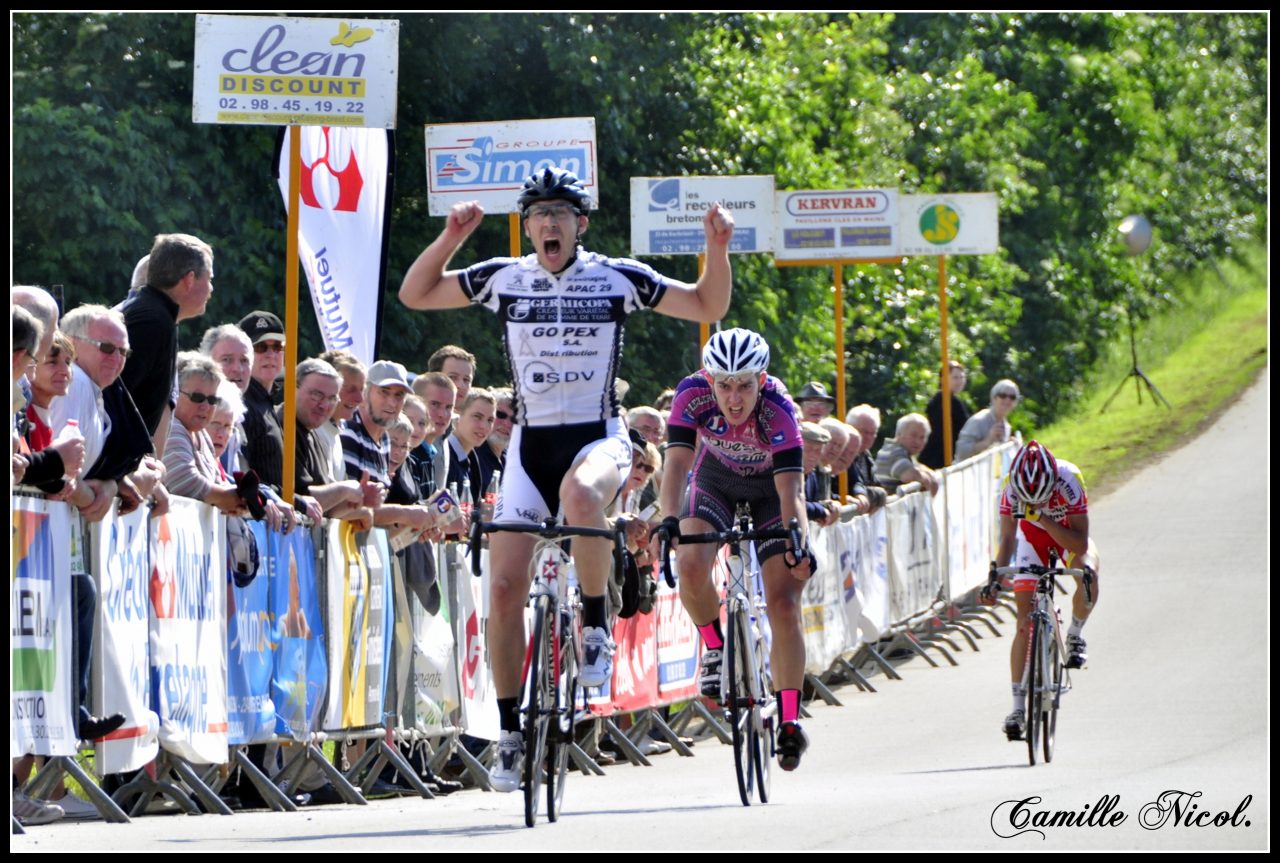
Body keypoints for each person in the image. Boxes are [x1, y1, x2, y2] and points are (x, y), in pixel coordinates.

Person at [398, 166, 735, 792]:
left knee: (582, 494)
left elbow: (707, 304)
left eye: (561, 214)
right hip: (529, 447)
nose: (549, 224)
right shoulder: (505, 277)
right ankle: (508, 732)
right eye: (538, 214)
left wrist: (716, 249)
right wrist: (450, 236)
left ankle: (597, 628)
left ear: (580, 224)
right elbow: (416, 294)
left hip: (597, 435)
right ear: (527, 226)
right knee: (501, 589)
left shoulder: (617, 278)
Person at [654, 328, 814, 771]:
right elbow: (678, 465)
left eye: (745, 384)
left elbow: (791, 491)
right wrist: (668, 520)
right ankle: (716, 646)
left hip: (770, 494)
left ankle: (787, 720)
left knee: (784, 602)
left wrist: (797, 539)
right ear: (709, 379)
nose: (734, 397)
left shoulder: (780, 408)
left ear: (761, 379)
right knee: (689, 561)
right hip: (715, 483)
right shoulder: (692, 395)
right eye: (724, 384)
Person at [987, 440, 1100, 742]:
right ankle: (1017, 708)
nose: (1035, 502)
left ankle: (1075, 633)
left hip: (1066, 533)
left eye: (1042, 496)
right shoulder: (1011, 486)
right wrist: (996, 576)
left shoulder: (1070, 479)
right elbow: (1008, 539)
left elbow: (1079, 543)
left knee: (1089, 572)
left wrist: (1043, 518)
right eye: (1029, 499)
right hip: (1031, 543)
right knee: (1024, 623)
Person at [118, 232, 215, 456]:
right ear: (189, 280)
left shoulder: (157, 315)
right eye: (209, 279)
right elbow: (113, 399)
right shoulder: (152, 322)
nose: (211, 289)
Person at [920, 360, 971, 469]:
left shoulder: (950, 401)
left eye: (962, 377)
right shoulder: (944, 401)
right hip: (938, 457)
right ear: (943, 379)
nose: (960, 381)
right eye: (955, 377)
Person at [873, 412, 939, 495]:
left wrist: (929, 473)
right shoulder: (894, 452)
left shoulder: (902, 451)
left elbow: (916, 467)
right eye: (913, 435)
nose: (917, 442)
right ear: (899, 434)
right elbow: (908, 475)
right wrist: (930, 480)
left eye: (922, 437)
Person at [955, 379, 1020, 461]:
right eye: (1003, 396)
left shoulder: (1006, 426)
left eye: (1012, 397)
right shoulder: (978, 421)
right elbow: (961, 452)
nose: (1007, 400)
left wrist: (1008, 445)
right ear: (993, 398)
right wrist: (987, 441)